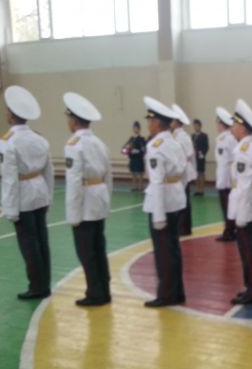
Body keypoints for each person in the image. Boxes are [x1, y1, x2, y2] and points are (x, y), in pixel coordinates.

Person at [1, 86, 53, 300]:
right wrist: (48, 197)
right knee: (41, 240)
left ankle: (36, 287)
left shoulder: (7, 142)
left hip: (22, 196)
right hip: (40, 192)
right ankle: (45, 283)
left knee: (29, 244)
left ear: (11, 115)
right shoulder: (39, 138)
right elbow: (49, 171)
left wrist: (9, 209)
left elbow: (9, 178)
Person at [63, 92, 113, 306]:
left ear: (74, 120)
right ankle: (104, 289)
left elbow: (74, 181)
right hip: (99, 198)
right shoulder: (99, 142)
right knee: (99, 248)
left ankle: (95, 293)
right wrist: (106, 200)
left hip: (85, 203)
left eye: (68, 118)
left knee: (87, 252)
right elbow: (108, 176)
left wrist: (73, 214)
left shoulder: (74, 144)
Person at [142, 96, 187, 308]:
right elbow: (183, 173)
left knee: (163, 252)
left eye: (150, 121)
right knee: (173, 249)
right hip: (175, 198)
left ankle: (166, 294)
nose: (148, 125)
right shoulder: (174, 142)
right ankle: (177, 291)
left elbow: (158, 181)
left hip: (162, 203)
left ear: (157, 122)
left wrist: (158, 216)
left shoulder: (156, 146)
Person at [228, 99, 252, 305]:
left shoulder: (244, 150)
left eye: (235, 124)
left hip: (247, 203)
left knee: (248, 249)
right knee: (251, 247)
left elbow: (243, 185)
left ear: (243, 127)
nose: (232, 127)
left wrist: (241, 214)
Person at [171, 104, 198, 236]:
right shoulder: (179, 135)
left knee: (183, 199)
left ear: (176, 122)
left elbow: (187, 154)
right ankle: (184, 227)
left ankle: (183, 227)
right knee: (183, 198)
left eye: (172, 120)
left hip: (182, 170)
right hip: (183, 169)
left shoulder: (181, 136)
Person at [214, 106, 238, 242]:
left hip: (227, 177)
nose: (216, 126)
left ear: (221, 124)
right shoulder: (225, 138)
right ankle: (230, 229)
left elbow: (229, 160)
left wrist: (224, 181)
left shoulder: (226, 139)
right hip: (225, 176)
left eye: (218, 123)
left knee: (227, 205)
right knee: (227, 205)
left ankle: (229, 231)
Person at [123, 121, 146, 191]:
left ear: (139, 129)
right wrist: (129, 151)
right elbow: (124, 149)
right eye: (134, 128)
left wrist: (139, 151)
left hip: (139, 158)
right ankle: (134, 186)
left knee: (140, 173)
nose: (135, 129)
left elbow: (144, 149)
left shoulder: (142, 139)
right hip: (132, 158)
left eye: (137, 128)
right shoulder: (131, 139)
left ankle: (141, 186)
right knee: (133, 173)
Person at [191, 119, 209, 196]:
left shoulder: (204, 136)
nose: (195, 127)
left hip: (201, 157)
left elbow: (206, 147)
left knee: (201, 173)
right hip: (194, 157)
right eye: (194, 126)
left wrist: (202, 153)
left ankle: (202, 190)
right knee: (196, 173)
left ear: (200, 126)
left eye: (196, 126)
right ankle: (197, 189)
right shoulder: (192, 136)